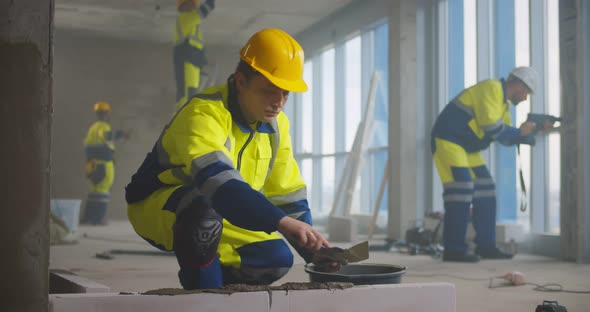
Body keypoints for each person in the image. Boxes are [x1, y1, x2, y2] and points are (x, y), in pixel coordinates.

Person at [126, 28, 337, 290]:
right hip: (163, 205)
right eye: (269, 90)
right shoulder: (205, 113)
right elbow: (217, 181)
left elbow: (287, 193)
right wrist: (281, 222)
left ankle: (216, 282)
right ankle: (203, 299)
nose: (278, 102)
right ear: (240, 81)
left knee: (274, 258)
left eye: (285, 93)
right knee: (203, 221)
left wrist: (313, 250)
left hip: (223, 207)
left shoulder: (277, 125)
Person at [431, 67, 555, 262]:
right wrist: (520, 132)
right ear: (520, 85)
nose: (525, 98)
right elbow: (492, 128)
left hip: (467, 148)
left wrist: (533, 131)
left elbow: (505, 138)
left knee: (486, 190)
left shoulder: (503, 105)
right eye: (527, 93)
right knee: (461, 190)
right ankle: (453, 250)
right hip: (449, 141)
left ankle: (486, 247)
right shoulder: (491, 89)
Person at [83, 101, 127, 225]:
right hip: (104, 165)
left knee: (94, 191)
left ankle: (88, 217)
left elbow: (88, 147)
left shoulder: (92, 128)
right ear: (107, 113)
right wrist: (121, 134)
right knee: (103, 191)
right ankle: (98, 219)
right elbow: (108, 136)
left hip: (92, 164)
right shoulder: (104, 126)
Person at [174, 0, 215, 111]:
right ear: (183, 6)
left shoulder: (188, 21)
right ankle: (184, 117)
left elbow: (195, 45)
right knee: (190, 94)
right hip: (189, 64)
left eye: (193, 4)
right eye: (191, 4)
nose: (194, 6)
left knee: (187, 95)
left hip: (190, 64)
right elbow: (203, 11)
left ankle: (181, 118)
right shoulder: (185, 19)